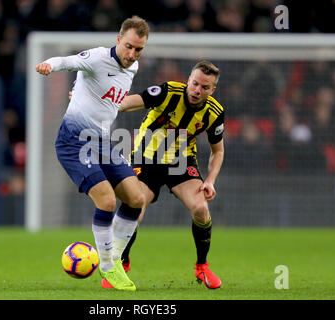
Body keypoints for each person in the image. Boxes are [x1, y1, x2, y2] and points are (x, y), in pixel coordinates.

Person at [35, 16, 150, 291]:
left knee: (137, 198)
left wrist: (82, 93)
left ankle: (116, 258)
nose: (132, 54)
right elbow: (68, 61)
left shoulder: (132, 68)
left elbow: (109, 100)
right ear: (119, 40)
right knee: (107, 201)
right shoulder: (97, 57)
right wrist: (49, 65)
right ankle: (108, 268)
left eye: (139, 49)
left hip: (102, 140)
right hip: (74, 142)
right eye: (129, 46)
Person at [112, 61, 225, 289]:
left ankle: (202, 266)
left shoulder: (214, 113)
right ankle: (120, 264)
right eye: (194, 84)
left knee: (201, 208)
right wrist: (92, 102)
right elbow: (125, 104)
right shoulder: (167, 92)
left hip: (180, 162)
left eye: (204, 87)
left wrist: (210, 181)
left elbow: (218, 150)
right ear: (188, 80)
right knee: (136, 207)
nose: (197, 90)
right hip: (145, 160)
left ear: (212, 90)